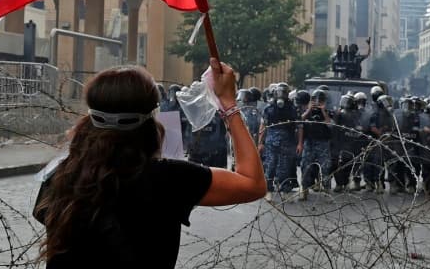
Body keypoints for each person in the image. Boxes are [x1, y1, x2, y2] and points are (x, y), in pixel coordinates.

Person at [33, 59, 265, 268]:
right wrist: (228, 104)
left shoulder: (61, 176)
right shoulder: (167, 179)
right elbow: (252, 183)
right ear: (151, 120)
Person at [297, 89, 332, 200]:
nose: (317, 102)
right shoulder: (307, 112)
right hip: (309, 143)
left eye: (320, 100)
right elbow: (300, 122)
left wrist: (323, 111)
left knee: (325, 167)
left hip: (323, 143)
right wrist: (308, 111)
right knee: (305, 166)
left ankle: (326, 190)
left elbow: (329, 124)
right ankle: (305, 189)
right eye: (315, 100)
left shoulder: (328, 111)